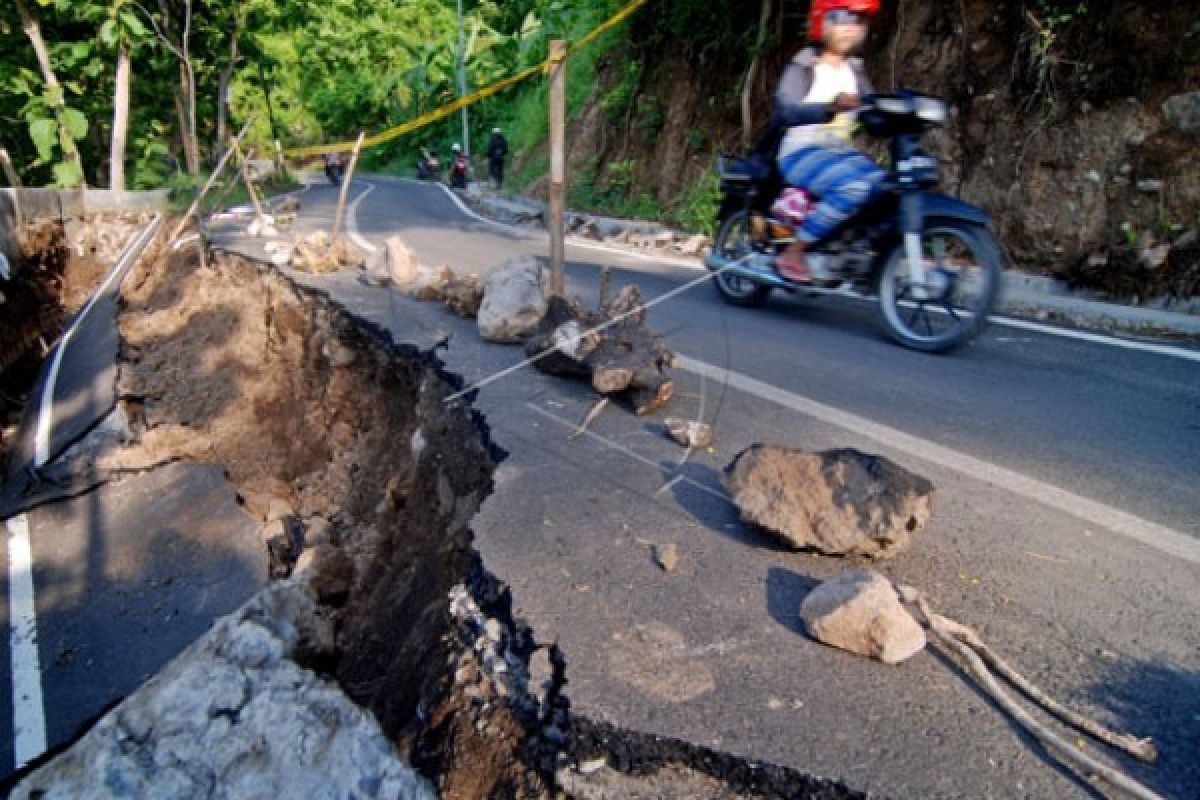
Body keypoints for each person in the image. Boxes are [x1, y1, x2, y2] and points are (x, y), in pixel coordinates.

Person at [770, 0, 883, 282]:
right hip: (800, 151)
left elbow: (873, 115)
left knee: (886, 185)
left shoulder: (855, 70)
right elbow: (786, 109)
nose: (851, 27)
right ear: (824, 20)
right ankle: (794, 252)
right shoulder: (805, 65)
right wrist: (829, 107)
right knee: (854, 187)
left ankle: (846, 248)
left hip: (839, 153)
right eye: (843, 18)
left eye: (859, 20)